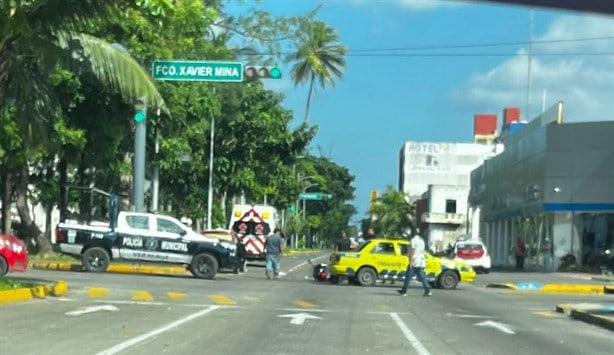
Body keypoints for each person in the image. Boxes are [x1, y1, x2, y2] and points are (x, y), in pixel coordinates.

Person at [397, 232, 432, 297]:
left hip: (414, 261)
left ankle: (404, 291)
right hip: (421, 261)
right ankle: (427, 290)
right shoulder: (421, 240)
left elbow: (412, 251)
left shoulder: (413, 240)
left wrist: (410, 262)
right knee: (422, 277)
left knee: (408, 276)